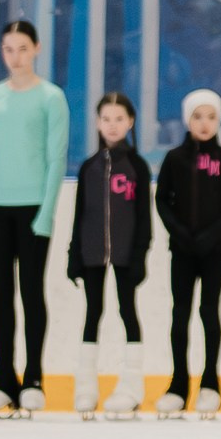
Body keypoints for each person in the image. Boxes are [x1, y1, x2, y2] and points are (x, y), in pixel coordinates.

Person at [0, 16, 69, 419]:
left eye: (23, 48)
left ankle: (34, 378)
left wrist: (46, 213)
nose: (16, 56)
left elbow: (56, 157)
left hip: (31, 210)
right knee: (1, 296)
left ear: (37, 49)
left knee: (31, 292)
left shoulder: (50, 97)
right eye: (9, 49)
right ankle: (3, 378)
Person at [156, 89, 221, 418]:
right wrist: (180, 233)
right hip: (182, 249)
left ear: (218, 120)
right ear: (187, 120)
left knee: (209, 311)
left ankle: (210, 385)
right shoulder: (175, 159)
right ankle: (178, 385)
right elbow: (162, 199)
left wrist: (209, 235)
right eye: (197, 116)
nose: (204, 123)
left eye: (210, 117)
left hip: (215, 249)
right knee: (180, 313)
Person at [67, 94, 151, 421]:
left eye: (119, 119)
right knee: (93, 312)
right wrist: (74, 254)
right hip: (91, 253)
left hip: (126, 253)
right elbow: (80, 214)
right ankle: (86, 386)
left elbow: (144, 214)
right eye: (106, 119)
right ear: (97, 122)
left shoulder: (137, 167)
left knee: (127, 310)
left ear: (130, 122)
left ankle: (131, 386)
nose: (112, 125)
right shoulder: (89, 167)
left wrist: (141, 253)